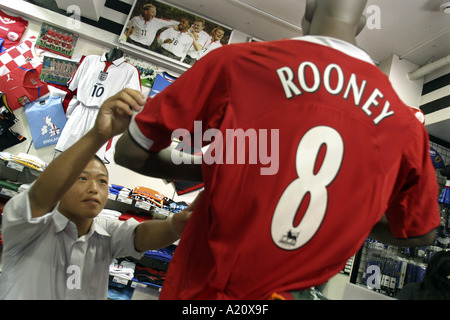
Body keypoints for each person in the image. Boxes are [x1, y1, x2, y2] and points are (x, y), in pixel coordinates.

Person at [114, 0, 441, 300]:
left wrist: (222, 169)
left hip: (205, 291)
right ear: (361, 24)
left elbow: (129, 153)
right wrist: (350, 218)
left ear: (308, 10)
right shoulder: (407, 125)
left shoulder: (237, 64)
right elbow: (420, 233)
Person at [0, 89, 197, 300]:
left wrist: (175, 225)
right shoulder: (27, 225)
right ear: (63, 181)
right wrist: (99, 134)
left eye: (102, 181)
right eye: (82, 178)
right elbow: (40, 196)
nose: (94, 188)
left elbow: (141, 235)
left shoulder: (104, 233)